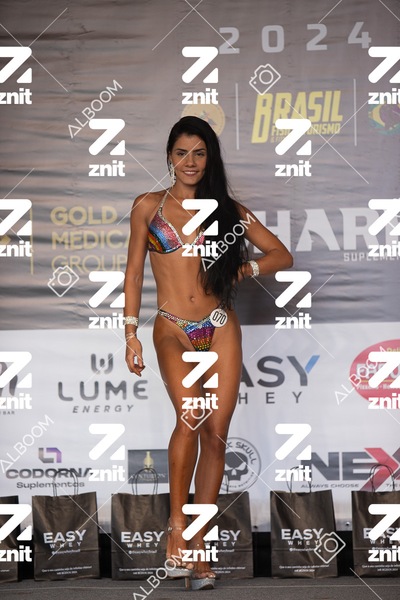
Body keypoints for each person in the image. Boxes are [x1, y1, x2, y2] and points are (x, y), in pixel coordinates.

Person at [124, 116, 293, 590]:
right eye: (182, 153)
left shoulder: (228, 211)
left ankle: (199, 549)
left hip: (219, 328)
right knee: (191, 417)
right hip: (172, 328)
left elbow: (282, 255)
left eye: (199, 153)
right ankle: (177, 528)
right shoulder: (148, 206)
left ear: (210, 158)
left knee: (216, 436)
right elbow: (133, 273)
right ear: (169, 156)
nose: (190, 162)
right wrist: (130, 333)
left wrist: (243, 270)